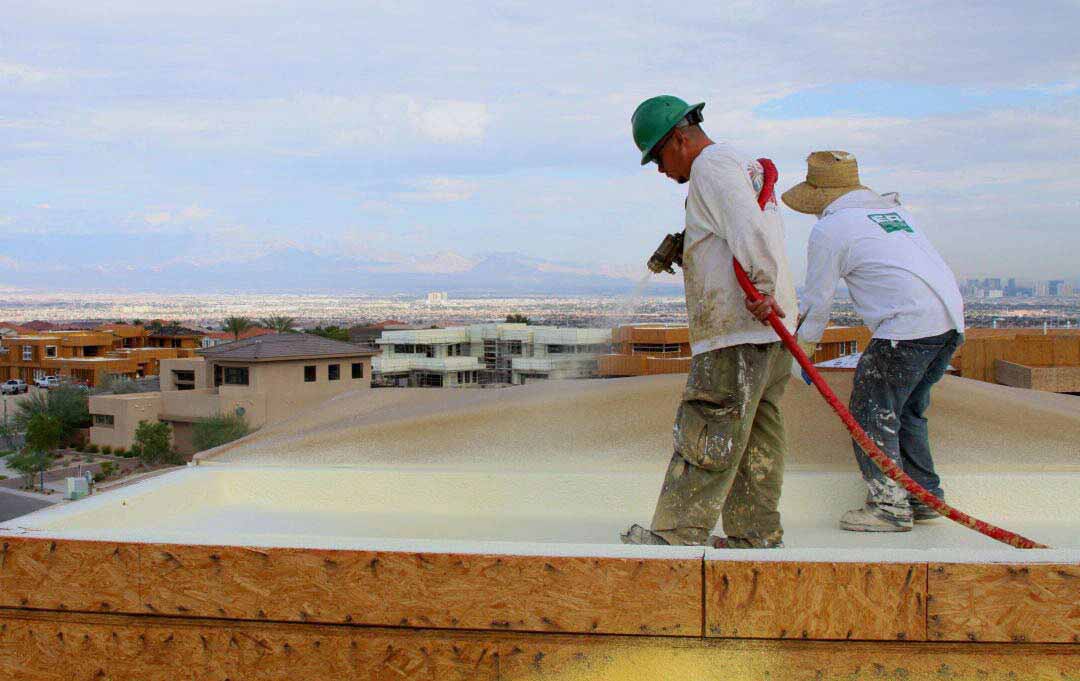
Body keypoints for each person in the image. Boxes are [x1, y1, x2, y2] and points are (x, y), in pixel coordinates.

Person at [750, 150, 964, 532]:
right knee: (908, 411)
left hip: (906, 327)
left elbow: (817, 302)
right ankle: (923, 494)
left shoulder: (832, 229)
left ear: (820, 196)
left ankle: (889, 506)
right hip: (948, 323)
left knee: (871, 413)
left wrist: (804, 354)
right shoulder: (892, 214)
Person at [621, 95, 797, 548]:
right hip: (769, 332)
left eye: (659, 157)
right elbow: (737, 224)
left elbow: (745, 226)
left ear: (680, 138)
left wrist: (761, 285)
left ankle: (676, 534)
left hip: (737, 329)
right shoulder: (738, 164)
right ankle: (754, 535)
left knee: (708, 422)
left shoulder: (711, 166)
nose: (661, 171)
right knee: (758, 432)